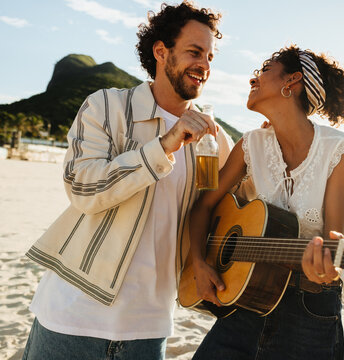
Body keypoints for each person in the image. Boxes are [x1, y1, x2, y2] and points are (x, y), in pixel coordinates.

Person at [22, 3, 233, 359]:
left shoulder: (216, 139)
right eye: (195, 52)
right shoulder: (106, 107)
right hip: (72, 318)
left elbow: (224, 215)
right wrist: (164, 145)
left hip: (149, 329)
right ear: (161, 51)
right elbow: (82, 188)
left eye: (210, 56)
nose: (205, 66)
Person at [189, 45, 344, 359]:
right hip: (246, 300)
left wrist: (326, 269)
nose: (253, 79)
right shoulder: (251, 144)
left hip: (308, 310)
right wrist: (200, 263)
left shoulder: (340, 151)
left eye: (264, 70)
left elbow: (335, 245)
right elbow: (204, 205)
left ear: (292, 81)